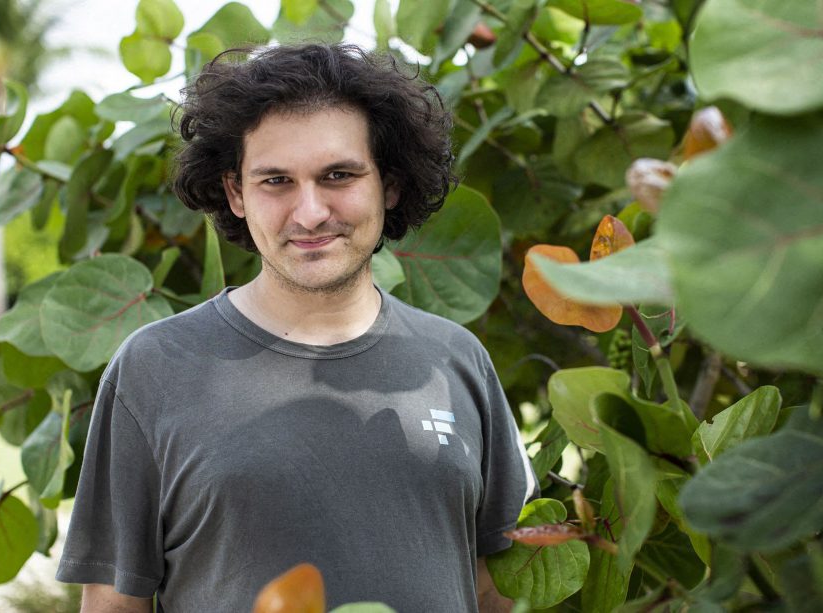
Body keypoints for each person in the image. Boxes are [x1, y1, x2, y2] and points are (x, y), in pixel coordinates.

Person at [56, 43, 537, 613]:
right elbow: (113, 605)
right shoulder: (155, 367)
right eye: (276, 181)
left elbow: (490, 590)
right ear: (236, 193)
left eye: (339, 175)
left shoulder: (457, 358)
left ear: (390, 184)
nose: (309, 213)